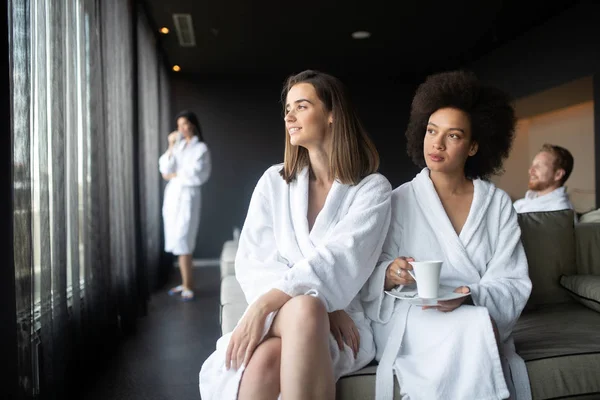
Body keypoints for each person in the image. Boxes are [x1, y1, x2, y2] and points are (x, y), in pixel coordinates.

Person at [199, 70, 391, 400]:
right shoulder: (274, 182)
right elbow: (254, 260)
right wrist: (319, 301)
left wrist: (267, 306)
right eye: (287, 107)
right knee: (306, 308)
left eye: (301, 105)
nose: (289, 115)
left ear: (332, 116)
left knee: (265, 362)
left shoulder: (372, 190)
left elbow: (344, 259)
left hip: (335, 326)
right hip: (288, 313)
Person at [362, 71, 532, 400]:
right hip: (412, 318)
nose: (437, 144)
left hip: (477, 313)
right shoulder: (399, 199)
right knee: (473, 326)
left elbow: (512, 282)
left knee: (475, 322)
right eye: (430, 131)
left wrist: (468, 296)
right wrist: (390, 272)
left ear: (473, 146)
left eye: (453, 136)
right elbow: (370, 268)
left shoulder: (496, 205)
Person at [159, 110, 211, 301]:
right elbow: (165, 168)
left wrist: (175, 175)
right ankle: (185, 282)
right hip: (173, 198)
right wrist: (171, 144)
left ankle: (189, 284)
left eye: (186, 124)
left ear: (194, 125)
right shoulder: (178, 146)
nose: (183, 128)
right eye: (180, 125)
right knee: (176, 239)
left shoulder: (201, 149)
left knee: (184, 240)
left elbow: (197, 175)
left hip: (188, 196)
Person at [513, 144, 575, 214]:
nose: (530, 171)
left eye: (538, 166)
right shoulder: (519, 204)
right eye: (532, 165)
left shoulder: (561, 210)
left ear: (558, 174)